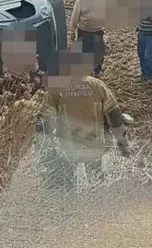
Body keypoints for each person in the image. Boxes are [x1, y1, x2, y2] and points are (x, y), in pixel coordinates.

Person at [38, 48, 131, 188]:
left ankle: (71, 207)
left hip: (67, 149)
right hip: (93, 146)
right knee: (97, 185)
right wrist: (123, 145)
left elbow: (45, 122)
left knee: (67, 188)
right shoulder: (98, 86)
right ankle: (96, 206)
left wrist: (45, 151)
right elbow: (115, 116)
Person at [69, 0, 107, 76]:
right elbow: (74, 17)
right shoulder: (80, 1)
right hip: (83, 31)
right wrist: (72, 32)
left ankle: (96, 71)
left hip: (97, 31)